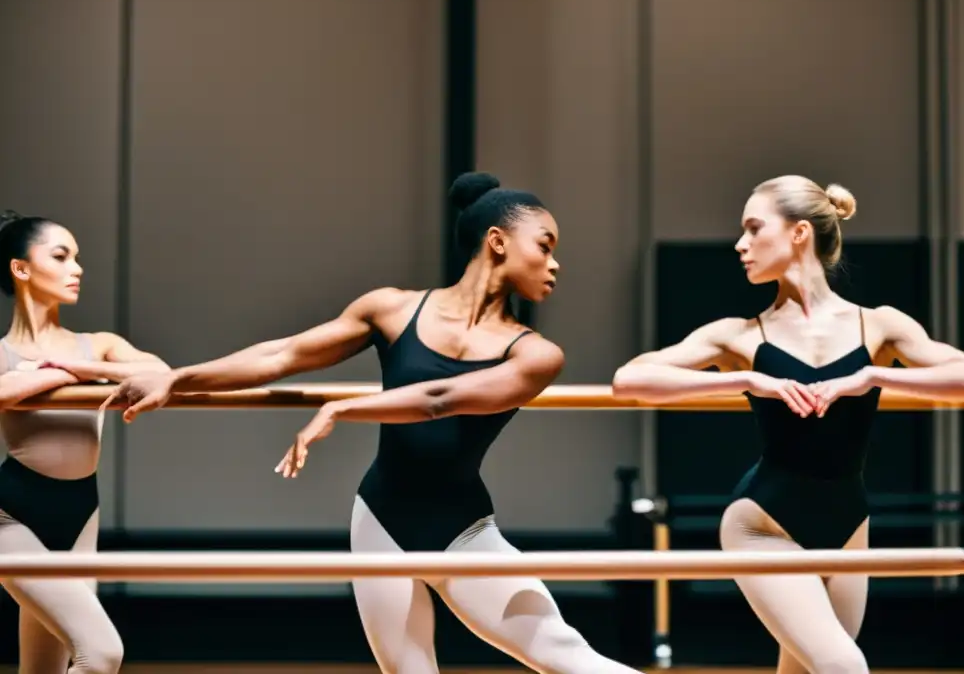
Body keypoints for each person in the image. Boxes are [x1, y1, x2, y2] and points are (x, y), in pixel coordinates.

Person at [101, 173, 641, 674]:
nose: (555, 263)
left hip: (463, 531)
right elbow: (283, 355)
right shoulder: (390, 309)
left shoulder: (537, 354)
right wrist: (177, 379)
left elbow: (441, 398)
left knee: (565, 656)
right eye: (544, 245)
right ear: (498, 241)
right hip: (380, 519)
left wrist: (343, 408)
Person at [612, 176, 964, 674]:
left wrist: (873, 376)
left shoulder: (878, 325)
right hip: (764, 523)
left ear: (799, 233)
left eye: (753, 228)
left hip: (849, 523)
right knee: (844, 668)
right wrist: (745, 380)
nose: (739, 244)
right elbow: (629, 379)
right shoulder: (740, 335)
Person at [0, 210, 169, 674]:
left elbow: (160, 372)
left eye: (77, 258)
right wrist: (43, 375)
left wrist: (79, 370)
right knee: (100, 653)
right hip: (11, 516)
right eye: (61, 256)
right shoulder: (2, 352)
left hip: (80, 514)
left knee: (43, 669)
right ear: (21, 269)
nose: (77, 269)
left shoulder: (97, 345)